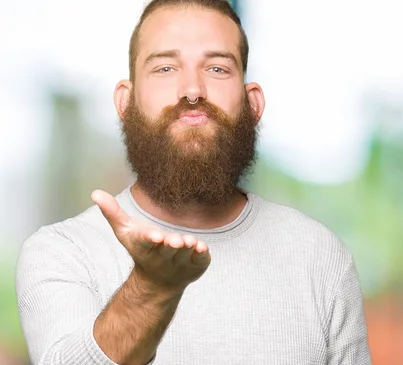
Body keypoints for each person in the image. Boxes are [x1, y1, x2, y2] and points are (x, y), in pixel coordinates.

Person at [15, 0, 371, 364]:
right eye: (165, 67)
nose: (192, 90)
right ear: (125, 101)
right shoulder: (63, 252)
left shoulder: (320, 258)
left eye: (217, 68)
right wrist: (152, 288)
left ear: (253, 104)